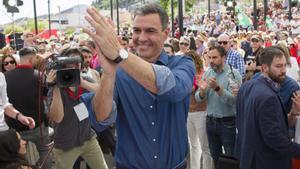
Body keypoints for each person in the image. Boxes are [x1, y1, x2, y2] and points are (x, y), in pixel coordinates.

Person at [84, 4, 195, 169]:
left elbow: (174, 89)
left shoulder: (183, 63)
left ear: (165, 34)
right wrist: (108, 74)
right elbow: (101, 120)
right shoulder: (118, 72)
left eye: (150, 31)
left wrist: (119, 54)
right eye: (136, 30)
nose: (142, 38)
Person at [235, 46, 300, 169]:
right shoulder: (268, 96)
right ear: (264, 67)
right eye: (278, 66)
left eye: (284, 65)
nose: (284, 70)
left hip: (249, 159)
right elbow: (275, 139)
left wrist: (292, 113)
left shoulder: (246, 86)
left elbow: (266, 126)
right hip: (265, 162)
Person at [46, 48, 108, 169]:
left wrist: (83, 83)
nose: (75, 65)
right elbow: (57, 118)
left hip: (87, 138)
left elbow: (104, 92)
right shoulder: (55, 89)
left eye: (78, 61)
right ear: (63, 64)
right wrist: (56, 86)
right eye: (71, 61)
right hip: (65, 144)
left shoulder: (84, 80)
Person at [195, 45, 242, 167]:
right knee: (214, 156)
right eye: (209, 57)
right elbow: (198, 98)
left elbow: (235, 101)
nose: (211, 60)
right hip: (211, 120)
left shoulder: (233, 74)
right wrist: (202, 92)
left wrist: (217, 88)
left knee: (231, 157)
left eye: (215, 57)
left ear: (224, 57)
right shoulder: (208, 73)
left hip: (228, 122)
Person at [4, 47, 51, 169]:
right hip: (37, 125)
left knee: (16, 156)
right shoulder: (39, 75)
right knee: (44, 150)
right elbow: (47, 97)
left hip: (15, 126)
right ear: (32, 59)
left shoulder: (5, 77)